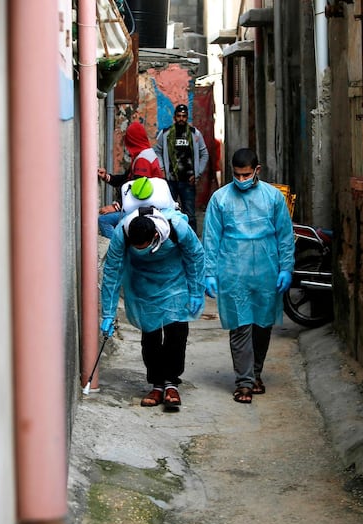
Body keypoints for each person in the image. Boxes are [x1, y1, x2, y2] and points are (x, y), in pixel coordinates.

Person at [201, 148, 295, 404]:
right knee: (241, 325)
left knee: (262, 325)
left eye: (246, 175)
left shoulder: (273, 198)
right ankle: (244, 382)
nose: (241, 180)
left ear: (257, 170)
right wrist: (209, 273)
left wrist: (286, 267)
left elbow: (284, 236)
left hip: (266, 269)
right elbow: (211, 238)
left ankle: (255, 373)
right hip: (233, 270)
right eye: (237, 175)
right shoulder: (220, 199)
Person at [100, 206, 206, 409]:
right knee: (151, 335)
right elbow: (112, 272)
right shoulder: (122, 232)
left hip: (174, 282)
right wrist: (108, 313)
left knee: (176, 333)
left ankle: (171, 383)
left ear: (156, 235)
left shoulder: (177, 228)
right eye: (136, 247)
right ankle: (157, 384)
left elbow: (195, 256)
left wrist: (196, 290)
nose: (141, 250)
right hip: (142, 285)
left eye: (144, 246)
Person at [98, 121, 166, 237]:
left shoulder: (142, 160)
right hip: (146, 206)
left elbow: (138, 192)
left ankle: (118, 250)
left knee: (104, 220)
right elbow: (126, 179)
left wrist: (115, 207)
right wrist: (106, 177)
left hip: (143, 209)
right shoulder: (144, 154)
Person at [154, 104, 209, 231]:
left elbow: (204, 153)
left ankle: (192, 243)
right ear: (174, 117)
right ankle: (171, 240)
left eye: (184, 116)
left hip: (188, 181)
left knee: (189, 215)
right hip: (171, 181)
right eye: (178, 116)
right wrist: (162, 169)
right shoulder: (166, 134)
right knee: (168, 213)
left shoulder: (195, 134)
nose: (181, 119)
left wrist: (198, 173)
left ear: (187, 118)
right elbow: (157, 151)